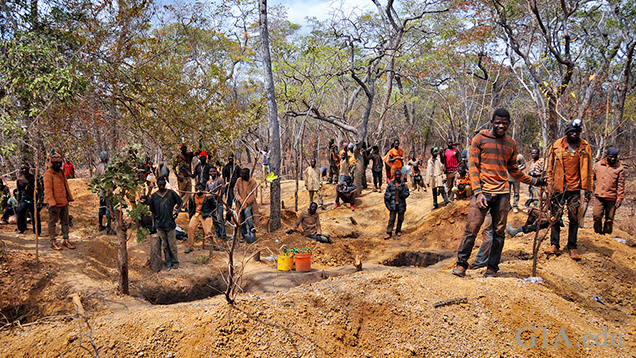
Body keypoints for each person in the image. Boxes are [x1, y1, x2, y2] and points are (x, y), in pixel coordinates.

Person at [452, 108, 543, 277]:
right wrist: (478, 192)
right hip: (483, 192)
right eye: (498, 122)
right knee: (472, 229)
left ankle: (492, 268)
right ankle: (461, 264)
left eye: (505, 123)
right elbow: (473, 168)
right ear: (492, 122)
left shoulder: (511, 144)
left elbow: (514, 170)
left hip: (502, 193)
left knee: (499, 233)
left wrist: (535, 181)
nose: (501, 126)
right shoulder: (479, 139)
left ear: (509, 124)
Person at [544, 119, 592, 260]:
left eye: (577, 132)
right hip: (558, 188)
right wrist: (549, 186)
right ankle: (555, 245)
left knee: (574, 218)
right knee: (555, 217)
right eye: (572, 132)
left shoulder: (585, 146)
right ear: (567, 133)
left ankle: (572, 246)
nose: (575, 134)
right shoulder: (556, 146)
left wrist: (588, 189)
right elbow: (550, 168)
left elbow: (588, 168)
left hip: (575, 189)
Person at [149, 176, 183, 271]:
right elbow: (152, 212)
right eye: (159, 184)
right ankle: (168, 262)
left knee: (172, 244)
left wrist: (176, 213)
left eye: (163, 184)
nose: (161, 186)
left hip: (170, 223)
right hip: (160, 225)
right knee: (164, 245)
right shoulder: (154, 197)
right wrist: (153, 224)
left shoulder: (171, 193)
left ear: (165, 184)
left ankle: (175, 261)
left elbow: (180, 202)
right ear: (157, 185)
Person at [44, 153, 76, 251]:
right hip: (55, 203)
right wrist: (52, 204)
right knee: (52, 222)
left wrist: (68, 198)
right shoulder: (48, 174)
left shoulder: (62, 173)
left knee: (65, 221)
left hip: (64, 202)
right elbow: (48, 190)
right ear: (51, 163)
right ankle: (52, 241)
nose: (58, 165)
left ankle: (66, 239)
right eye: (55, 163)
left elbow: (65, 186)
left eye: (59, 163)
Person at [592, 147, 625, 235]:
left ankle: (607, 235)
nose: (613, 159)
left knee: (609, 219)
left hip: (612, 197)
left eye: (615, 157)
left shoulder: (620, 168)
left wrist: (619, 198)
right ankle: (597, 233)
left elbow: (621, 185)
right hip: (599, 196)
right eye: (611, 157)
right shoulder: (598, 165)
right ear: (607, 156)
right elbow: (591, 178)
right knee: (597, 216)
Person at [186, 183, 216, 253]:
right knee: (190, 227)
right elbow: (190, 208)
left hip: (206, 215)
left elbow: (214, 206)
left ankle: (216, 246)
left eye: (200, 189)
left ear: (203, 190)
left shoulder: (209, 197)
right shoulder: (192, 197)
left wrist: (210, 214)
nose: (198, 191)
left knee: (208, 232)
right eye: (197, 189)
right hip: (196, 215)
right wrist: (191, 216)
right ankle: (190, 246)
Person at [16, 164, 42, 235]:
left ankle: (37, 231)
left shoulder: (34, 178)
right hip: (24, 199)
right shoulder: (20, 180)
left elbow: (40, 189)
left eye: (25, 168)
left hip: (33, 199)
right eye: (22, 169)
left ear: (29, 168)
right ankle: (21, 229)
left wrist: (39, 200)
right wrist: (18, 200)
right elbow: (18, 191)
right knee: (20, 212)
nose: (24, 170)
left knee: (35, 215)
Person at [234, 168, 258, 243]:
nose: (242, 175)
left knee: (248, 212)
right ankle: (244, 236)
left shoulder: (253, 182)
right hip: (240, 203)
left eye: (244, 174)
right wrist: (240, 200)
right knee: (241, 219)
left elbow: (254, 195)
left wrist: (246, 203)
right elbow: (235, 191)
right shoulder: (239, 180)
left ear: (248, 174)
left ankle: (251, 228)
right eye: (241, 173)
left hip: (250, 203)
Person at [384, 170, 410, 239]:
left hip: (401, 205)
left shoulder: (403, 185)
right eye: (397, 175)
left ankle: (398, 230)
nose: (398, 177)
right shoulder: (390, 185)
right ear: (394, 176)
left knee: (400, 219)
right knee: (391, 219)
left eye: (399, 175)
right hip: (393, 205)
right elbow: (386, 196)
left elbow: (407, 194)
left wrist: (401, 191)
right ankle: (389, 232)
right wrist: (388, 205)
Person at [95, 151, 114, 234]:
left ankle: (100, 225)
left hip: (102, 192)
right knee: (108, 209)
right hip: (108, 192)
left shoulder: (99, 167)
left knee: (101, 208)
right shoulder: (109, 167)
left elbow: (95, 179)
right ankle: (108, 228)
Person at [207, 166, 227, 242]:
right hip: (211, 203)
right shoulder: (208, 182)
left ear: (216, 171)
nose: (212, 173)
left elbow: (223, 190)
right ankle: (217, 232)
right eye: (211, 171)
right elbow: (207, 191)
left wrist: (218, 193)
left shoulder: (220, 180)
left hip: (219, 202)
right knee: (214, 219)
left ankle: (223, 234)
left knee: (220, 218)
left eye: (214, 171)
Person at [174, 144, 195, 211]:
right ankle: (183, 207)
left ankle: (180, 204)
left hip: (188, 176)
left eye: (185, 148)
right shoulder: (178, 157)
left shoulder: (189, 155)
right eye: (183, 148)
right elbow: (173, 167)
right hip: (181, 177)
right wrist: (177, 176)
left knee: (189, 192)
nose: (184, 149)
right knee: (182, 193)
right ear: (180, 149)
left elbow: (197, 152)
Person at [222, 154, 241, 220]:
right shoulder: (225, 167)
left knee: (238, 202)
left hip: (236, 187)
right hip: (229, 187)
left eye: (232, 158)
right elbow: (224, 178)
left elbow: (240, 176)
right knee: (229, 202)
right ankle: (228, 218)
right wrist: (225, 186)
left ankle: (240, 217)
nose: (230, 160)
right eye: (229, 158)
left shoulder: (237, 167)